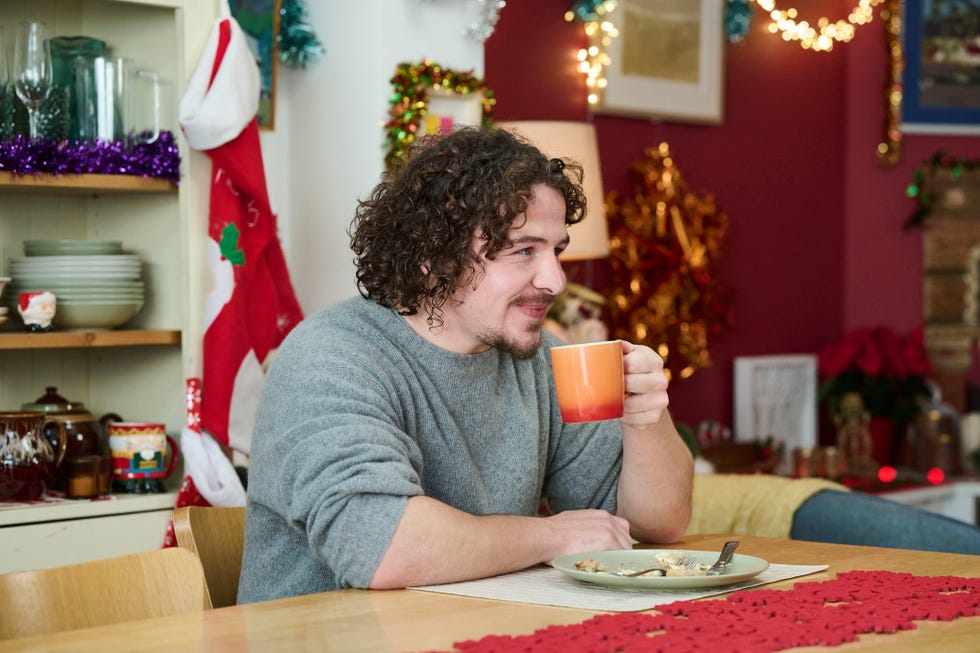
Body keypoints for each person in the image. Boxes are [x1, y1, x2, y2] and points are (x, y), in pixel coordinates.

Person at [237, 126, 694, 603]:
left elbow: (657, 525)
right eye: (523, 251)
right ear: (432, 257)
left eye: (556, 251)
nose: (556, 280)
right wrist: (554, 536)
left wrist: (646, 420)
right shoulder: (331, 357)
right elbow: (381, 548)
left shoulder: (544, 359)